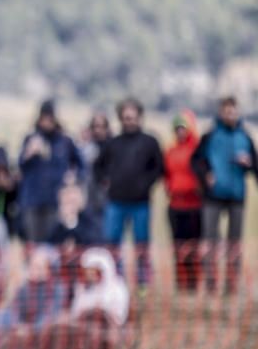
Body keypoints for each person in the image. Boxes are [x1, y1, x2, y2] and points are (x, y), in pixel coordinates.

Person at [94, 97, 164, 288]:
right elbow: (98, 167)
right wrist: (105, 182)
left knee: (141, 244)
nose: (129, 121)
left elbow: (158, 169)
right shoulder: (113, 143)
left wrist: (146, 184)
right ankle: (116, 280)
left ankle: (142, 283)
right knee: (112, 243)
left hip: (140, 203)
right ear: (120, 118)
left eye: (132, 117)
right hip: (116, 202)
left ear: (140, 117)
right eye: (125, 117)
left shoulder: (150, 142)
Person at [191, 96, 257, 294]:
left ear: (237, 112)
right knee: (210, 240)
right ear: (221, 113)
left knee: (234, 242)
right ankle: (211, 282)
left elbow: (255, 166)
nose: (230, 115)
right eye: (227, 111)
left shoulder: (245, 136)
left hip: (237, 196)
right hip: (213, 196)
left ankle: (232, 283)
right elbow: (196, 161)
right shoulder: (209, 136)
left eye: (233, 111)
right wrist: (205, 176)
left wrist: (249, 163)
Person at [38, 248, 130, 349]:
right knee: (59, 327)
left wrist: (97, 311)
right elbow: (76, 311)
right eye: (88, 271)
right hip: (81, 323)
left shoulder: (116, 287)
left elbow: (118, 314)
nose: (90, 274)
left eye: (94, 271)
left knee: (91, 333)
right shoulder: (82, 288)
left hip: (105, 326)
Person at [17, 100, 85, 242]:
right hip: (32, 200)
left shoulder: (65, 141)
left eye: (49, 119)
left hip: (55, 200)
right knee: (33, 241)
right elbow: (20, 166)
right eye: (44, 119)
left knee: (52, 241)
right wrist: (29, 152)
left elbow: (81, 165)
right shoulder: (31, 139)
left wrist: (73, 178)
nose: (46, 123)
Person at [0, 247, 66, 349]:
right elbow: (15, 310)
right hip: (22, 332)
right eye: (33, 266)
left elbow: (50, 314)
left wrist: (30, 329)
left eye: (39, 267)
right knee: (3, 322)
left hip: (43, 334)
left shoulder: (57, 288)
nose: (34, 271)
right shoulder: (24, 288)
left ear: (49, 270)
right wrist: (17, 325)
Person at [163, 110, 203, 291]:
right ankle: (181, 282)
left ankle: (194, 282)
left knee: (193, 245)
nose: (180, 132)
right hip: (175, 205)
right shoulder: (170, 150)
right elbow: (166, 174)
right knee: (178, 246)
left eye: (184, 128)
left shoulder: (198, 149)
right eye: (177, 128)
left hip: (194, 205)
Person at [79, 111, 112, 229]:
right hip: (89, 196)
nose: (98, 130)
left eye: (102, 126)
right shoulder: (86, 148)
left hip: (108, 198)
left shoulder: (114, 146)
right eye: (95, 127)